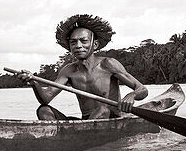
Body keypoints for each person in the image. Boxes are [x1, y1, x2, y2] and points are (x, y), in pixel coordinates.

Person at [18, 13, 149, 121]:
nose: (78, 46)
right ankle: (62, 140)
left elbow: (142, 89)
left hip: (110, 117)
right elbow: (46, 99)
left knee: (102, 110)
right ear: (70, 47)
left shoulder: (108, 64)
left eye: (84, 41)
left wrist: (132, 95)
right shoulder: (69, 70)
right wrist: (34, 82)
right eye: (73, 42)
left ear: (95, 44)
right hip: (85, 121)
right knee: (43, 110)